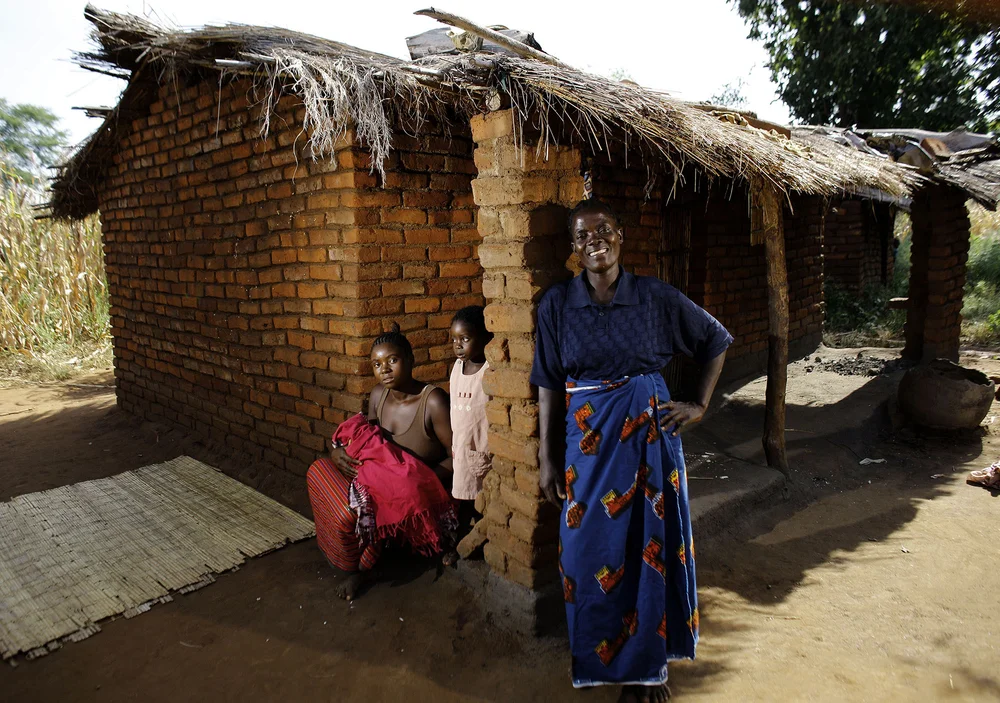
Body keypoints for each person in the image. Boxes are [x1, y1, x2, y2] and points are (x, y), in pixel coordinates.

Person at [531, 200, 732, 702]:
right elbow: (548, 384)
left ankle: (647, 670)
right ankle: (613, 661)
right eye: (582, 235)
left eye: (603, 230)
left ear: (621, 236)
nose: (594, 240)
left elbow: (715, 339)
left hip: (650, 440)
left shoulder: (654, 296)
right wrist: (548, 458)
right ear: (573, 247)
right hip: (588, 444)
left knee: (651, 547)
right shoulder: (557, 305)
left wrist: (699, 404)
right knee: (586, 553)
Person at [306, 324, 454, 601]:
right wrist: (337, 453)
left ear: (411, 360)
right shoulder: (378, 394)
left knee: (364, 508)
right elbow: (366, 440)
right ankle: (346, 556)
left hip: (418, 487)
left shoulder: (433, 401)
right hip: (382, 479)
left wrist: (418, 483)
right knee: (320, 471)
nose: (384, 369)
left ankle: (363, 570)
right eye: (377, 364)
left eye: (392, 360)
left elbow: (456, 458)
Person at [447, 306, 494, 547]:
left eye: (465, 339)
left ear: (484, 337)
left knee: (480, 497)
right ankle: (462, 540)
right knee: (462, 496)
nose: (458, 345)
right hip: (461, 447)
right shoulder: (457, 367)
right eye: (454, 339)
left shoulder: (489, 372)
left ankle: (472, 541)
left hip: (481, 449)